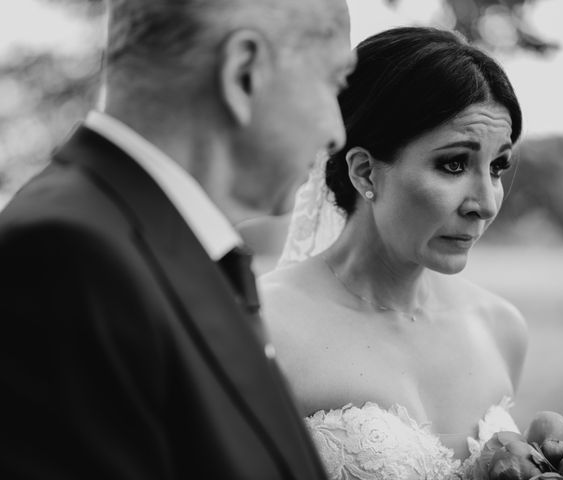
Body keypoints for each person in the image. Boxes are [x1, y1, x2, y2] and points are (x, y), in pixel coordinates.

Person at [0, 0, 355, 478]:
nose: (336, 133)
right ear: (244, 71)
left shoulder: (168, 245)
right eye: (334, 82)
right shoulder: (66, 258)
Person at [260, 26, 528, 480]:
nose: (484, 203)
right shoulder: (265, 326)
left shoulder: (502, 329)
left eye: (497, 166)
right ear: (365, 171)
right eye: (455, 164)